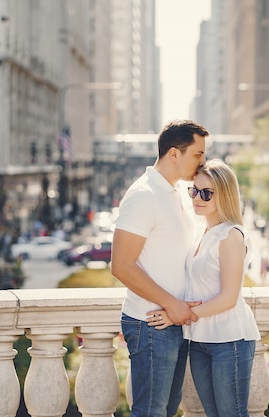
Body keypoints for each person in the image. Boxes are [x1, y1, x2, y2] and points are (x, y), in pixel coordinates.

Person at [110, 119, 208, 417]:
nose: (203, 161)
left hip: (173, 320)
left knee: (165, 410)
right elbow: (121, 266)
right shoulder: (144, 196)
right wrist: (172, 304)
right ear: (174, 154)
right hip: (150, 323)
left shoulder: (176, 193)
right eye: (197, 154)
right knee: (151, 412)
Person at [148, 159, 260, 417]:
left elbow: (229, 298)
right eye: (194, 190)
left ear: (225, 195)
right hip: (198, 340)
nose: (197, 198)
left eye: (206, 193)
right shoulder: (201, 232)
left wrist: (177, 314)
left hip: (230, 340)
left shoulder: (231, 235)